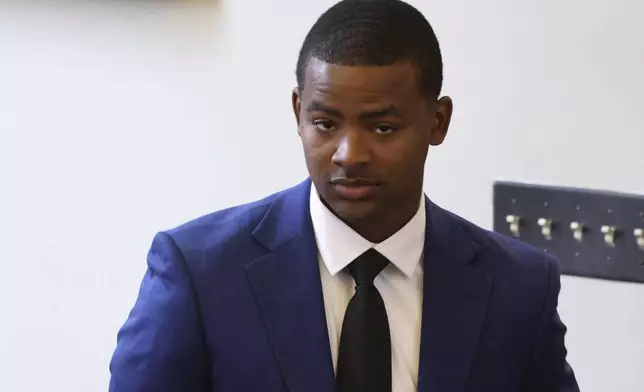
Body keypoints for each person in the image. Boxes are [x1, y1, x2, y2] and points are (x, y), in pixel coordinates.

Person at [108, 0, 580, 391]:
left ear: (437, 122)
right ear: (298, 111)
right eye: (325, 124)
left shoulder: (519, 289)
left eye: (382, 127)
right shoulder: (200, 274)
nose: (348, 155)